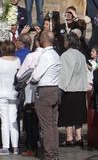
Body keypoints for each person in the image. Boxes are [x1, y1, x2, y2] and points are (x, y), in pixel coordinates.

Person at [30, 31, 60, 160]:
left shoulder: (46, 55)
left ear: (44, 40)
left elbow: (36, 76)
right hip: (55, 89)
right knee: (53, 125)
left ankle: (49, 155)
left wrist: (31, 76)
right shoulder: (55, 54)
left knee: (46, 125)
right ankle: (54, 153)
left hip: (45, 91)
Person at [0, 40, 20, 155]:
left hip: (1, 92)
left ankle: (6, 147)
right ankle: (15, 147)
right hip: (13, 93)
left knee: (4, 120)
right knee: (13, 120)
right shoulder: (17, 60)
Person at [57, 32, 88, 147]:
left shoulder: (66, 55)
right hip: (80, 88)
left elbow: (65, 73)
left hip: (69, 89)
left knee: (68, 115)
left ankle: (69, 137)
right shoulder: (81, 55)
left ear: (68, 42)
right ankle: (79, 137)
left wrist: (60, 88)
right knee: (78, 115)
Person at [17, 32, 43, 157]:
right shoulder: (52, 55)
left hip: (31, 92)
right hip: (46, 91)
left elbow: (20, 75)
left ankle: (31, 147)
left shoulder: (31, 56)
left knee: (30, 121)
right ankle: (40, 143)